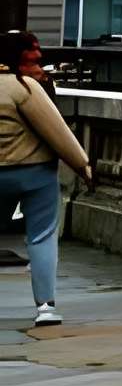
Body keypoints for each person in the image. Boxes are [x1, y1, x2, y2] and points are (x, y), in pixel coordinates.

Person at [0, 32, 92, 328]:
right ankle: (46, 306)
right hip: (34, 172)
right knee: (41, 237)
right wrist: (83, 166)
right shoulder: (24, 87)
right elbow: (57, 131)